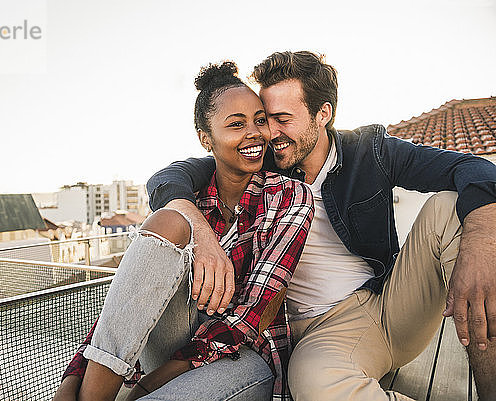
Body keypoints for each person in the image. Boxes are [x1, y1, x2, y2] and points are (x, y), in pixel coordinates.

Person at [145, 51, 496, 400]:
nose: (271, 133)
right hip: (317, 333)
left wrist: (481, 242)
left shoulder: (369, 152)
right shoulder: (257, 161)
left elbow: (474, 169)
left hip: (387, 305)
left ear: (323, 114)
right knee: (313, 383)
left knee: (451, 208)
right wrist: (202, 235)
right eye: (267, 119)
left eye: (283, 118)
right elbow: (167, 178)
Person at [53, 61, 314, 401]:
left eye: (259, 121)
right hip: (170, 342)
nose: (255, 133)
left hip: (243, 356)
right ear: (206, 139)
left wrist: (144, 388)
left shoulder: (289, 196)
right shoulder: (187, 198)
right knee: (168, 221)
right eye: (236, 124)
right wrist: (71, 381)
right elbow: (127, 306)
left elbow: (251, 320)